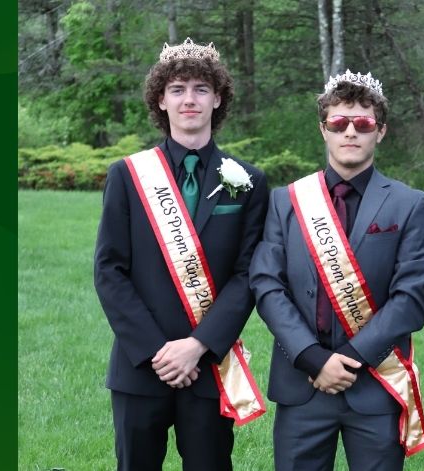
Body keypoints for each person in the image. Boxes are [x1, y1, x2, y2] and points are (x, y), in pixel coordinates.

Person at [249, 70, 424, 470]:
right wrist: (313, 358)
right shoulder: (286, 201)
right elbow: (267, 286)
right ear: (324, 130)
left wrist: (349, 359)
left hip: (374, 385)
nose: (350, 132)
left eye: (363, 123)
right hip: (302, 382)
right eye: (338, 122)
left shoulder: (409, 203)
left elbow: (411, 298)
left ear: (380, 131)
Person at [94, 38, 268, 471]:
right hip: (140, 365)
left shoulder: (248, 181)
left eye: (201, 89)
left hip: (208, 366)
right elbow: (109, 270)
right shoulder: (127, 176)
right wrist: (158, 351)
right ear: (161, 100)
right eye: (177, 89)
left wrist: (197, 346)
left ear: (218, 99)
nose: (189, 99)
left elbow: (247, 275)